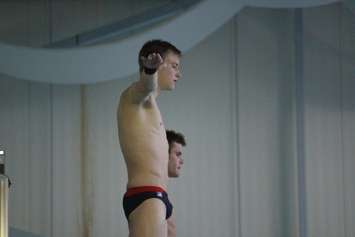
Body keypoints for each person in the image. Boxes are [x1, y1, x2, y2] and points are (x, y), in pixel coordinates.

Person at [117, 39, 182, 237]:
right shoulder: (133, 96)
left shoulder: (153, 108)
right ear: (157, 63)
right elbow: (145, 87)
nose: (178, 73)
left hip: (157, 195)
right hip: (147, 195)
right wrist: (149, 72)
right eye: (174, 66)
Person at [166, 130, 186, 237]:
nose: (181, 161)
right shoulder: (153, 198)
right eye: (177, 154)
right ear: (164, 153)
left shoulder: (161, 197)